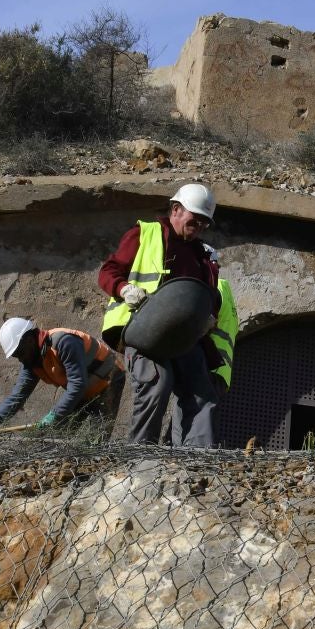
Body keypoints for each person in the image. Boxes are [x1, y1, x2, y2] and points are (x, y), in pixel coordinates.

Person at [99, 183, 222, 445]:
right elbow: (108, 272)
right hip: (146, 327)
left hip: (184, 336)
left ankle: (197, 460)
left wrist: (208, 317)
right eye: (195, 219)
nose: (198, 226)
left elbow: (208, 296)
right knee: (158, 383)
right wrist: (124, 289)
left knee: (201, 393)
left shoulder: (203, 257)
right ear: (176, 209)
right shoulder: (145, 234)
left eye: (204, 223)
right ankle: (141, 455)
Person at [0, 318, 125, 433]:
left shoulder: (64, 342)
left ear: (29, 339)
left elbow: (77, 384)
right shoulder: (32, 361)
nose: (21, 359)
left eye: (20, 352)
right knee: (60, 435)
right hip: (83, 391)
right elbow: (17, 397)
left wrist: (54, 415)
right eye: (16, 356)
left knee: (95, 438)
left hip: (108, 380)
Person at [173, 271, 238, 446]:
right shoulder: (227, 292)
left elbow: (200, 319)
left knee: (194, 415)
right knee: (201, 415)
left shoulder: (214, 287)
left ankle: (190, 459)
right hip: (221, 371)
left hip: (206, 363)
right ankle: (190, 456)